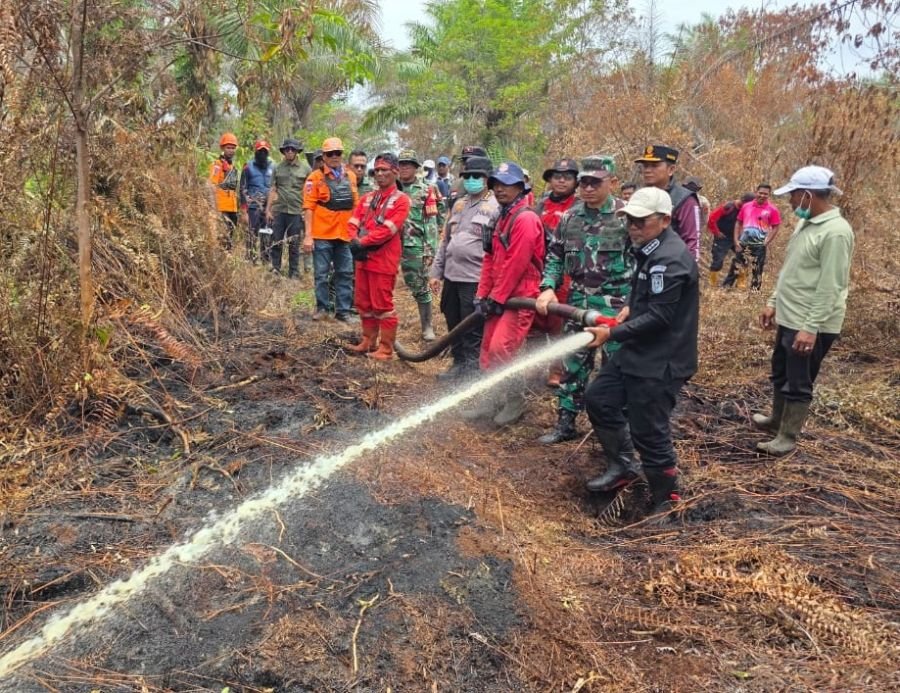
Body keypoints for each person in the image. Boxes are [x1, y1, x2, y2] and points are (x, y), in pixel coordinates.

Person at [582, 187, 699, 521]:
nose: (633, 226)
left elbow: (662, 316)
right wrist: (633, 307)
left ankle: (668, 498)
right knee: (599, 398)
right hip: (638, 351)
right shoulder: (650, 249)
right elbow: (653, 299)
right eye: (629, 220)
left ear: (664, 220)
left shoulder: (670, 258)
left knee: (649, 429)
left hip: (662, 361)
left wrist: (611, 333)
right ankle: (622, 466)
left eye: (641, 221)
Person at [754, 166, 853, 456]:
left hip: (811, 322)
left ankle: (787, 435)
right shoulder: (805, 224)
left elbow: (831, 286)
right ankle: (776, 420)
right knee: (781, 371)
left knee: (798, 380)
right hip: (790, 316)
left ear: (808, 195)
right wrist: (773, 301)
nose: (791, 202)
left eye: (794, 196)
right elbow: (791, 271)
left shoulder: (836, 233)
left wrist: (811, 327)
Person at [536, 157, 633, 444]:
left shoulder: (626, 216)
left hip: (616, 308)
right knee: (572, 365)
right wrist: (548, 286)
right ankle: (565, 423)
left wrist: (634, 303)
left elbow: (642, 261)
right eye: (584, 183)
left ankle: (618, 431)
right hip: (577, 303)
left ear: (612, 182)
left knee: (617, 369)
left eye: (595, 182)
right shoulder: (571, 218)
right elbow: (554, 255)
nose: (588, 188)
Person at [461, 162, 544, 427]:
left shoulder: (526, 219)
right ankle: (492, 398)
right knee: (487, 350)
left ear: (520, 187)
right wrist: (481, 295)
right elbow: (490, 259)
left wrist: (496, 298)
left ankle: (514, 399)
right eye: (496, 184)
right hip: (499, 295)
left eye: (506, 184)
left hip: (519, 295)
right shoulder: (499, 217)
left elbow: (516, 264)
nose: (500, 189)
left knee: (502, 349)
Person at [429, 155, 499, 380]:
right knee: (453, 322)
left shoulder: (496, 205)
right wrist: (436, 272)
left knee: (471, 327)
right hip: (452, 276)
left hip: (475, 278)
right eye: (467, 176)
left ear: (487, 178)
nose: (471, 180)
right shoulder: (459, 204)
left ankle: (471, 373)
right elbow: (445, 241)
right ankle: (458, 365)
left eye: (476, 176)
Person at [346, 153, 412, 360]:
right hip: (362, 258)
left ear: (395, 172)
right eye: (377, 171)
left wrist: (361, 242)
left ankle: (385, 348)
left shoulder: (401, 200)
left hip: (383, 260)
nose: (380, 174)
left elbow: (388, 230)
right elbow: (353, 222)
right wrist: (352, 239)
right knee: (363, 302)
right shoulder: (367, 199)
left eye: (385, 170)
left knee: (382, 305)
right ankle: (368, 341)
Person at [533, 157, 580, 387]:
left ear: (575, 181)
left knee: (561, 324)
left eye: (567, 177)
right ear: (550, 180)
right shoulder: (539, 206)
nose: (561, 181)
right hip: (540, 271)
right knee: (536, 321)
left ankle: (557, 369)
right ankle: (533, 366)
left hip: (567, 275)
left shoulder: (579, 207)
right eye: (557, 176)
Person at [302, 137, 358, 321]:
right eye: (330, 154)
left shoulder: (350, 176)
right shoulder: (315, 178)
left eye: (338, 153)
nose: (334, 156)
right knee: (321, 273)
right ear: (324, 156)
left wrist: (357, 230)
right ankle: (322, 308)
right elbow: (308, 207)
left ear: (342, 154)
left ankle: (343, 311)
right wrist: (308, 236)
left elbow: (355, 205)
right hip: (322, 234)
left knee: (345, 272)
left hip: (344, 234)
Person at [397, 149, 441, 341]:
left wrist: (430, 250)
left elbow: (431, 222)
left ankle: (427, 326)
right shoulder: (391, 188)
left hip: (413, 245)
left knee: (420, 287)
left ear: (416, 168)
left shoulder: (425, 190)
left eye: (409, 164)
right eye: (402, 163)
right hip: (388, 244)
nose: (405, 167)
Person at [634, 145, 701, 261]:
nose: (647, 170)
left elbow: (692, 243)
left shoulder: (684, 199)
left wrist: (682, 272)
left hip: (670, 267)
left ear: (671, 170)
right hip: (639, 266)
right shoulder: (639, 196)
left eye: (654, 166)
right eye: (645, 166)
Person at [265, 138, 311, 278]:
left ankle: (294, 272)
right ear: (284, 151)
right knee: (276, 241)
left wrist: (307, 210)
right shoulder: (278, 168)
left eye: (292, 149)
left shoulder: (306, 169)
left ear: (297, 151)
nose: (290, 151)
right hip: (279, 210)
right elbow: (273, 189)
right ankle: (275, 269)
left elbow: (309, 191)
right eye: (287, 149)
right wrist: (268, 209)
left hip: (296, 211)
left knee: (294, 243)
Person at [725, 183, 782, 290]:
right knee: (735, 266)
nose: (762, 196)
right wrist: (736, 240)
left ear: (769, 195)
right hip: (743, 243)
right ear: (756, 192)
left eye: (765, 194)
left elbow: (776, 226)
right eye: (760, 193)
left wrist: (767, 241)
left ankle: (754, 294)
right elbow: (738, 222)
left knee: (757, 270)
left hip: (759, 244)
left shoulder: (772, 209)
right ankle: (725, 289)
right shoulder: (746, 206)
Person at [239, 139, 274, 263]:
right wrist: (244, 212)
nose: (262, 154)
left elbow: (276, 187)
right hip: (253, 208)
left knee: (267, 235)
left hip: (268, 208)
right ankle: (250, 260)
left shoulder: (273, 167)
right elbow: (242, 189)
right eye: (260, 151)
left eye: (265, 151)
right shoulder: (248, 166)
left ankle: (266, 260)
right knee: (252, 235)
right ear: (256, 152)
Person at [708, 193, 754, 287]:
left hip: (736, 237)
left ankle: (739, 282)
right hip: (723, 238)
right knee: (718, 261)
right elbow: (712, 218)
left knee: (744, 257)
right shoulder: (728, 207)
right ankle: (712, 284)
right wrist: (716, 232)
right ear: (743, 201)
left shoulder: (747, 210)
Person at [209, 132, 240, 249]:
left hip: (232, 208)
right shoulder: (217, 165)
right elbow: (211, 185)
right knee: (222, 237)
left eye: (233, 148)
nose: (231, 150)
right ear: (222, 148)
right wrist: (214, 207)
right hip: (222, 207)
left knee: (230, 237)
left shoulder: (232, 167)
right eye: (228, 148)